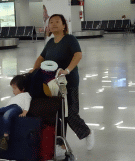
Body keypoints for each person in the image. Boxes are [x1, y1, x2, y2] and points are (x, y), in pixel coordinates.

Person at [29, 14, 94, 152]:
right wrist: (34, 70)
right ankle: (60, 143)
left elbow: (78, 55)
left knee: (70, 114)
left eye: (57, 22)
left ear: (64, 25)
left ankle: (87, 133)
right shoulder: (50, 43)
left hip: (69, 83)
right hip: (52, 84)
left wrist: (67, 70)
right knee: (55, 113)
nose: (53, 24)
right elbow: (41, 58)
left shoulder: (70, 39)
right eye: (51, 22)